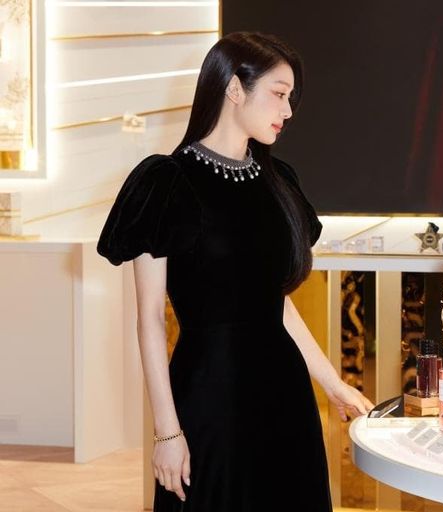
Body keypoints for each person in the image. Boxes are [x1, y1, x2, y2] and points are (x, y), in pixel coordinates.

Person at [96, 32, 374, 511]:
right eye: (279, 94)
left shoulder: (277, 182)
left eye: (290, 98)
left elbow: (275, 303)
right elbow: (151, 321)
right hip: (211, 396)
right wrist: (167, 433)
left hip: (285, 393)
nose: (287, 111)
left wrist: (332, 383)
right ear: (234, 89)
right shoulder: (166, 184)